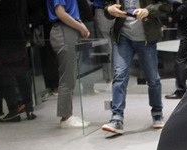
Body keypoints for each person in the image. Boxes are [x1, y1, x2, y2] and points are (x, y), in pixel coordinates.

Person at [101, 0, 171, 135]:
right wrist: (109, 9)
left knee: (153, 78)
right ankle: (117, 118)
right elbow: (107, 7)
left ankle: (157, 113)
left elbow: (166, 5)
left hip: (146, 37)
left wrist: (148, 10)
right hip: (122, 37)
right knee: (119, 75)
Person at [47, 0, 91, 128]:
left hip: (69, 29)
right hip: (63, 29)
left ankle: (68, 114)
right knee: (67, 76)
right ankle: (66, 117)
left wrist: (80, 25)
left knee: (70, 75)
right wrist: (81, 27)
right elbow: (60, 12)